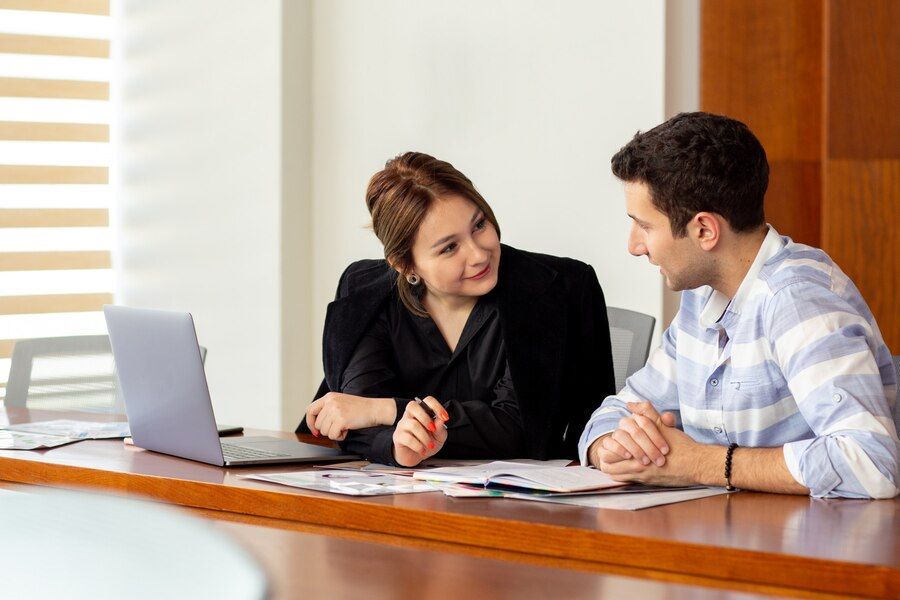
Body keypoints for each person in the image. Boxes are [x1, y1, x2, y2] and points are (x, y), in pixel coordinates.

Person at [580, 112, 899, 499]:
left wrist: (697, 463)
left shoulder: (797, 301)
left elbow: (871, 465)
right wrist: (615, 446)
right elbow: (618, 409)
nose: (634, 246)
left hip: (808, 549)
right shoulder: (701, 297)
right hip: (723, 535)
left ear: (703, 230)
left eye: (644, 226)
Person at [298, 152, 616, 467]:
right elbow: (347, 416)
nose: (479, 254)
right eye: (450, 247)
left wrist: (388, 411)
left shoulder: (558, 287)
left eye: (479, 225)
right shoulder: (365, 290)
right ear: (405, 264)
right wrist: (396, 447)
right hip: (399, 497)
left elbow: (522, 425)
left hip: (532, 502)